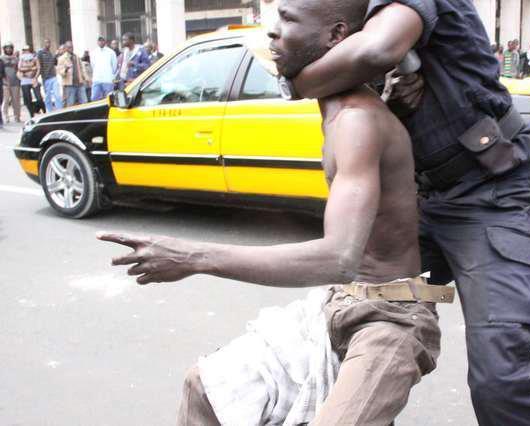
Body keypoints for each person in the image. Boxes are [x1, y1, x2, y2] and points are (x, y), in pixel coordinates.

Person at [98, 0, 450, 424]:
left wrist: (193, 258)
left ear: (336, 36)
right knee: (204, 388)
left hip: (391, 318)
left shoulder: (357, 120)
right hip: (341, 301)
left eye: (288, 20)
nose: (272, 33)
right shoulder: (340, 110)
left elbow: (339, 257)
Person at [285, 0, 530, 424]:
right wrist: (389, 100)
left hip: (500, 195)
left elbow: (373, 52)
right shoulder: (350, 16)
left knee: (501, 382)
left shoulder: (385, 23)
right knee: (353, 323)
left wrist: (296, 81)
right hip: (427, 200)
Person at [56, 41, 88, 107]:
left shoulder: (76, 57)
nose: (71, 48)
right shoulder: (61, 58)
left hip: (79, 83)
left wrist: (86, 78)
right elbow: (60, 72)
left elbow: (82, 68)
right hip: (69, 85)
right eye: (69, 47)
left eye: (72, 47)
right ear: (66, 48)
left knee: (84, 102)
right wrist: (66, 69)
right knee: (71, 104)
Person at [17, 45, 45, 117]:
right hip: (25, 80)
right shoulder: (21, 58)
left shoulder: (34, 57)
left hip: (33, 79)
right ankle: (31, 114)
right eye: (25, 50)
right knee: (27, 99)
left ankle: (41, 110)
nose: (26, 51)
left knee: (39, 98)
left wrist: (35, 77)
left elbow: (38, 68)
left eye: (28, 50)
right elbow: (20, 68)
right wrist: (31, 68)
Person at [37, 38, 62, 111]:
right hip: (46, 78)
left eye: (49, 43)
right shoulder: (40, 53)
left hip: (53, 76)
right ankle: (49, 111)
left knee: (57, 95)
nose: (48, 44)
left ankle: (59, 110)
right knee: (48, 97)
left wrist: (56, 55)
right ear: (44, 43)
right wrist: (40, 77)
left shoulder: (50, 53)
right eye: (46, 43)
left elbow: (54, 63)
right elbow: (39, 65)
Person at [90, 36, 117, 101]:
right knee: (94, 98)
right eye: (99, 41)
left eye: (102, 40)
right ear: (97, 42)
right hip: (97, 79)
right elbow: (93, 65)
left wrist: (112, 76)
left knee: (109, 99)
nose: (101, 42)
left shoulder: (111, 52)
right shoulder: (93, 52)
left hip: (108, 79)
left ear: (105, 42)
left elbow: (114, 65)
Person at [1, 42, 22, 123]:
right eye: (7, 48)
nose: (8, 49)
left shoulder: (16, 59)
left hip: (15, 82)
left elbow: (18, 69)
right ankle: (5, 117)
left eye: (10, 48)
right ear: (4, 49)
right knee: (5, 100)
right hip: (5, 83)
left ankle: (17, 116)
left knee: (16, 101)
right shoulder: (1, 58)